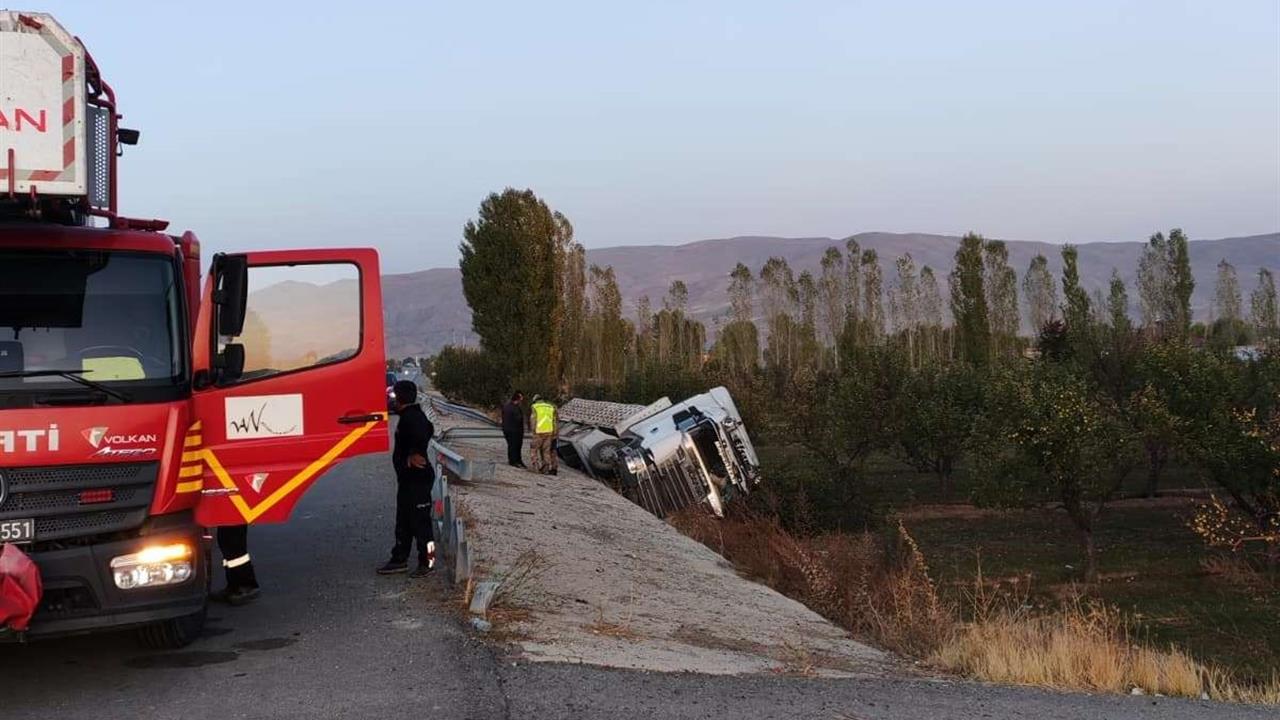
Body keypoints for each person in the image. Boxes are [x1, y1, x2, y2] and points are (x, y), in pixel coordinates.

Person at [377, 380, 436, 577]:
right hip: (407, 480)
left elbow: (426, 431)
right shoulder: (407, 416)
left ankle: (428, 562)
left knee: (422, 524)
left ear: (400, 397)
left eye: (394, 395)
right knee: (404, 521)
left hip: (418, 480)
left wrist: (414, 452)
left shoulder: (413, 417)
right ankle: (399, 559)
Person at [211, 524, 259, 605]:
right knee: (225, 541)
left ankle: (247, 586)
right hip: (229, 515)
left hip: (235, 515)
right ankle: (234, 586)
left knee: (234, 544)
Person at [529, 394, 558, 475]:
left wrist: (533, 431)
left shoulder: (535, 407)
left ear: (535, 400)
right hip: (549, 432)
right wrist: (554, 433)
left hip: (538, 432)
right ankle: (545, 469)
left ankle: (536, 467)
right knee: (546, 451)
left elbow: (533, 420)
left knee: (534, 449)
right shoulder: (550, 407)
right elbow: (554, 421)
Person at [501, 390, 527, 468]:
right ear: (518, 399)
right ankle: (515, 461)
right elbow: (518, 419)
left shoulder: (506, 406)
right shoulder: (515, 408)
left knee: (511, 446)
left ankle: (515, 460)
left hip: (507, 429)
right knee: (515, 446)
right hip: (515, 430)